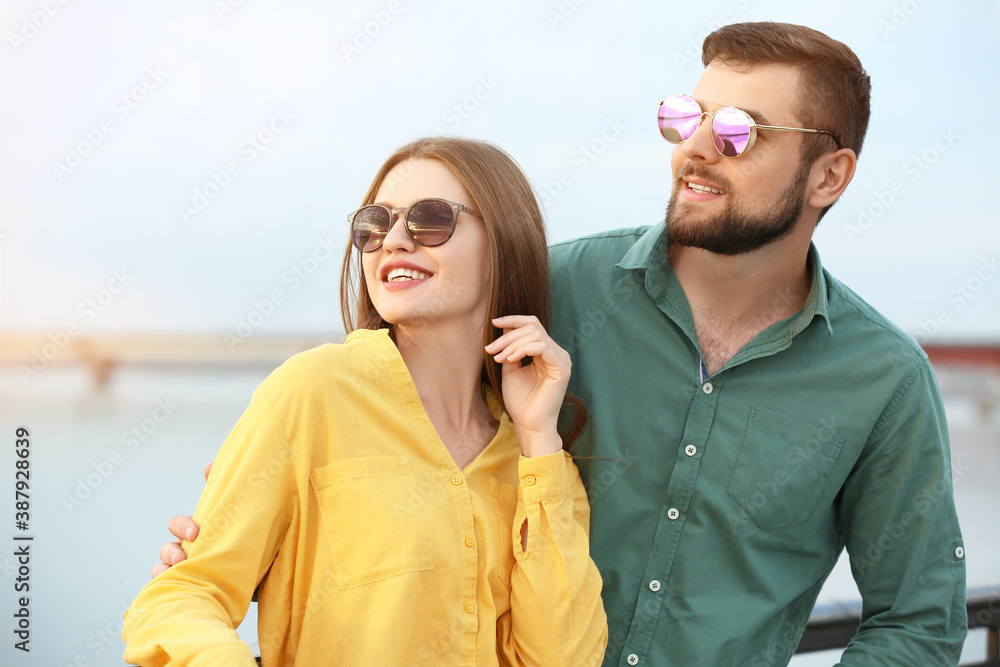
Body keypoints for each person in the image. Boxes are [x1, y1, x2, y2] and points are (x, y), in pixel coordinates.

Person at [156, 22, 968, 666]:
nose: (694, 146)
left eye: (737, 130)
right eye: (685, 118)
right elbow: (393, 413)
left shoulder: (883, 381)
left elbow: (917, 621)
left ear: (829, 176)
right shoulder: (544, 289)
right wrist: (249, 521)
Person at [123, 137, 608, 666]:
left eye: (430, 219)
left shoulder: (539, 465)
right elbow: (181, 596)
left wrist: (539, 436)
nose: (394, 240)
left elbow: (561, 658)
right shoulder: (311, 392)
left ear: (504, 241)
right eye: (375, 224)